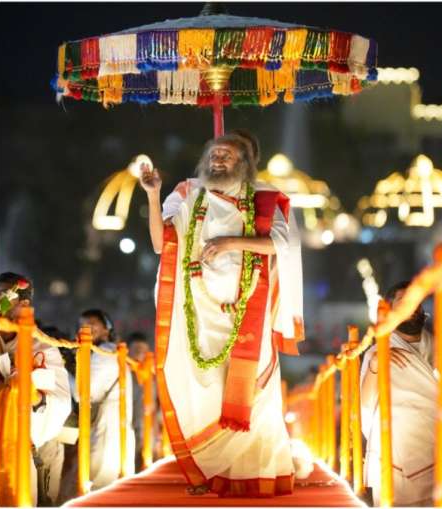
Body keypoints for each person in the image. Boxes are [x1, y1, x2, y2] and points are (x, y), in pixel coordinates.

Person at [138, 130, 307, 497]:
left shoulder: (264, 198)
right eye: (213, 154)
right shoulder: (187, 194)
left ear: (245, 164)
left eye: (227, 155)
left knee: (253, 395)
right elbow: (159, 242)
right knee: (203, 396)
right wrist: (153, 195)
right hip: (197, 315)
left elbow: (283, 244)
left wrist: (230, 242)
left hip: (251, 314)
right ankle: (207, 472)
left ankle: (257, 474)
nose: (217, 160)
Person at [0, 273, 72, 506]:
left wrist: (34, 397)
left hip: (27, 441)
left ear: (25, 305)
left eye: (2, 296)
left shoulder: (42, 346)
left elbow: (60, 402)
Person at [360, 282, 438, 506]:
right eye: (404, 302)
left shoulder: (438, 344)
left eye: (416, 302)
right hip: (397, 457)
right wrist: (376, 365)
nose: (412, 307)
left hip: (440, 447)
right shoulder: (378, 351)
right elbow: (365, 406)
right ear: (390, 310)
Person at [77, 309, 135, 490]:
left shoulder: (104, 353)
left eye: (92, 322)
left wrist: (61, 374)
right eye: (82, 324)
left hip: (107, 430)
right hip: (116, 425)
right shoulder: (112, 351)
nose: (86, 327)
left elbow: (85, 393)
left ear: (106, 329)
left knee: (98, 487)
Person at [126, 332, 149, 473]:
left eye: (143, 350)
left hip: (143, 424)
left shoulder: (148, 372)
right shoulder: (125, 370)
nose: (140, 353)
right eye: (136, 350)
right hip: (129, 421)